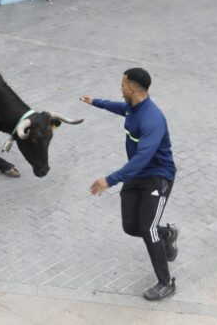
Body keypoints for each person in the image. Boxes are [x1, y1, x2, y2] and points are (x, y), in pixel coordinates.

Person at [81, 68, 178, 302]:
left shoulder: (152, 118)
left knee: (147, 228)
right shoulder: (132, 107)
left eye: (122, 84)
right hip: (136, 175)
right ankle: (167, 234)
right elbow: (119, 107)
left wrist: (110, 179)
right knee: (131, 226)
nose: (120, 87)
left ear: (131, 88)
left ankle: (166, 283)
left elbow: (143, 157)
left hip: (158, 176)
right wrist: (96, 102)